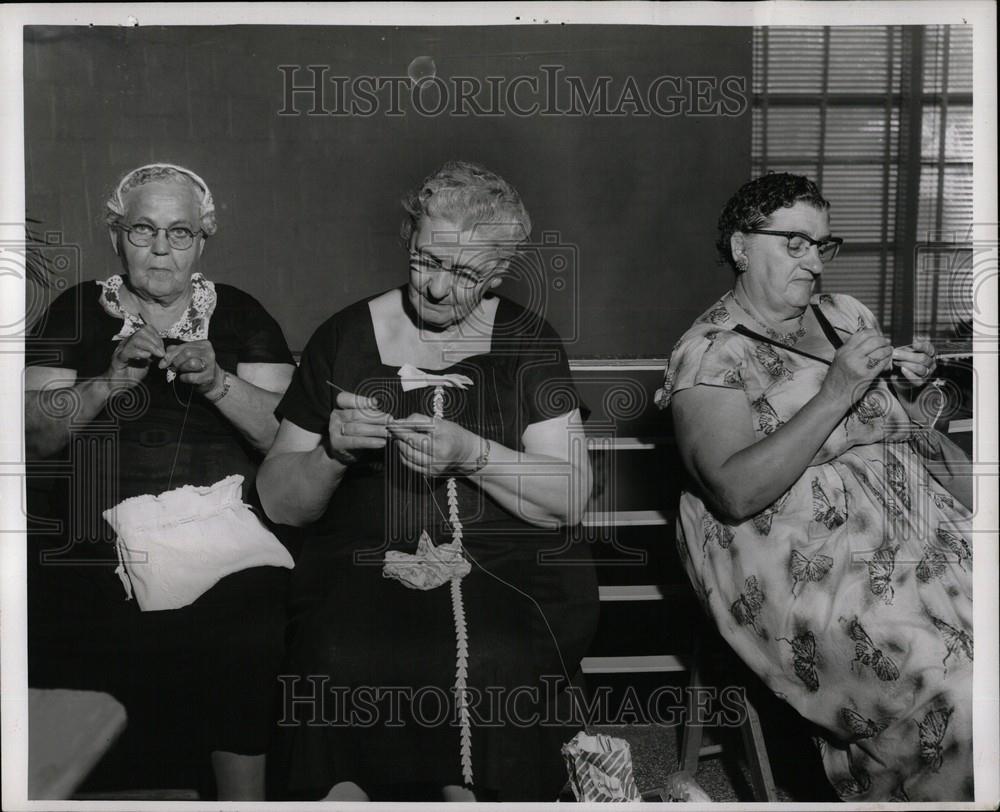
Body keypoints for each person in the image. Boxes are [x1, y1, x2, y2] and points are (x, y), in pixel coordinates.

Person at [257, 161, 598, 802]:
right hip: (363, 559)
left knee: (499, 659)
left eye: (466, 274)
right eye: (425, 261)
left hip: (507, 562)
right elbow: (280, 503)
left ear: (499, 273)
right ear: (408, 241)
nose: (437, 288)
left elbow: (569, 498)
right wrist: (330, 452)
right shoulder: (343, 337)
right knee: (335, 654)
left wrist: (474, 454)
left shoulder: (529, 342)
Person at [655, 172, 973, 802]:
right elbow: (734, 492)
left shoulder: (843, 316)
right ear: (742, 247)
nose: (813, 263)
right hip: (797, 559)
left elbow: (893, 429)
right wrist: (837, 391)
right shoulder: (707, 355)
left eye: (821, 246)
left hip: (913, 529)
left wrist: (908, 390)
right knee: (952, 686)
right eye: (793, 243)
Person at [25, 163, 296, 799]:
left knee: (248, 625)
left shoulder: (243, 316)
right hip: (91, 547)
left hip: (228, 550)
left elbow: (284, 443)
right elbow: (33, 437)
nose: (161, 248)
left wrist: (217, 383)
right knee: (62, 613)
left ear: (203, 240)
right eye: (144, 229)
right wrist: (108, 383)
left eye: (180, 232)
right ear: (117, 235)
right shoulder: (75, 310)